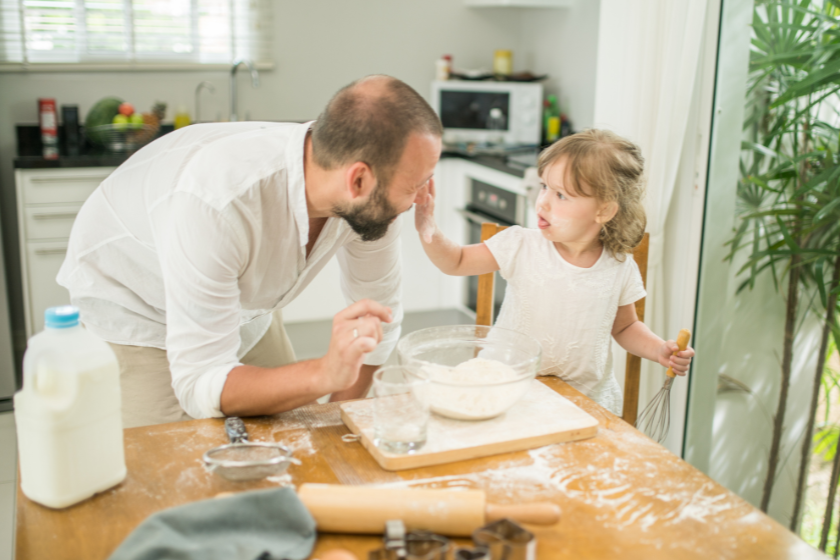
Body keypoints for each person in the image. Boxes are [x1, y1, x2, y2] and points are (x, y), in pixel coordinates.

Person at [57, 75, 443, 428]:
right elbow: (201, 384)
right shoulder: (217, 201)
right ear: (358, 179)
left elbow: (379, 323)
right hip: (141, 308)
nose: (422, 199)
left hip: (243, 306)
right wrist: (324, 373)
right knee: (175, 459)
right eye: (415, 185)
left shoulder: (365, 200)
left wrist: (335, 421)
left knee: (299, 435)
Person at [414, 129, 694, 415]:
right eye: (544, 186)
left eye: (560, 195)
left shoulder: (618, 267)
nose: (543, 202)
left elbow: (625, 327)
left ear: (604, 211)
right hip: (508, 389)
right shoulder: (521, 244)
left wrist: (658, 349)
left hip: (583, 401)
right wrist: (429, 228)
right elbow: (457, 261)